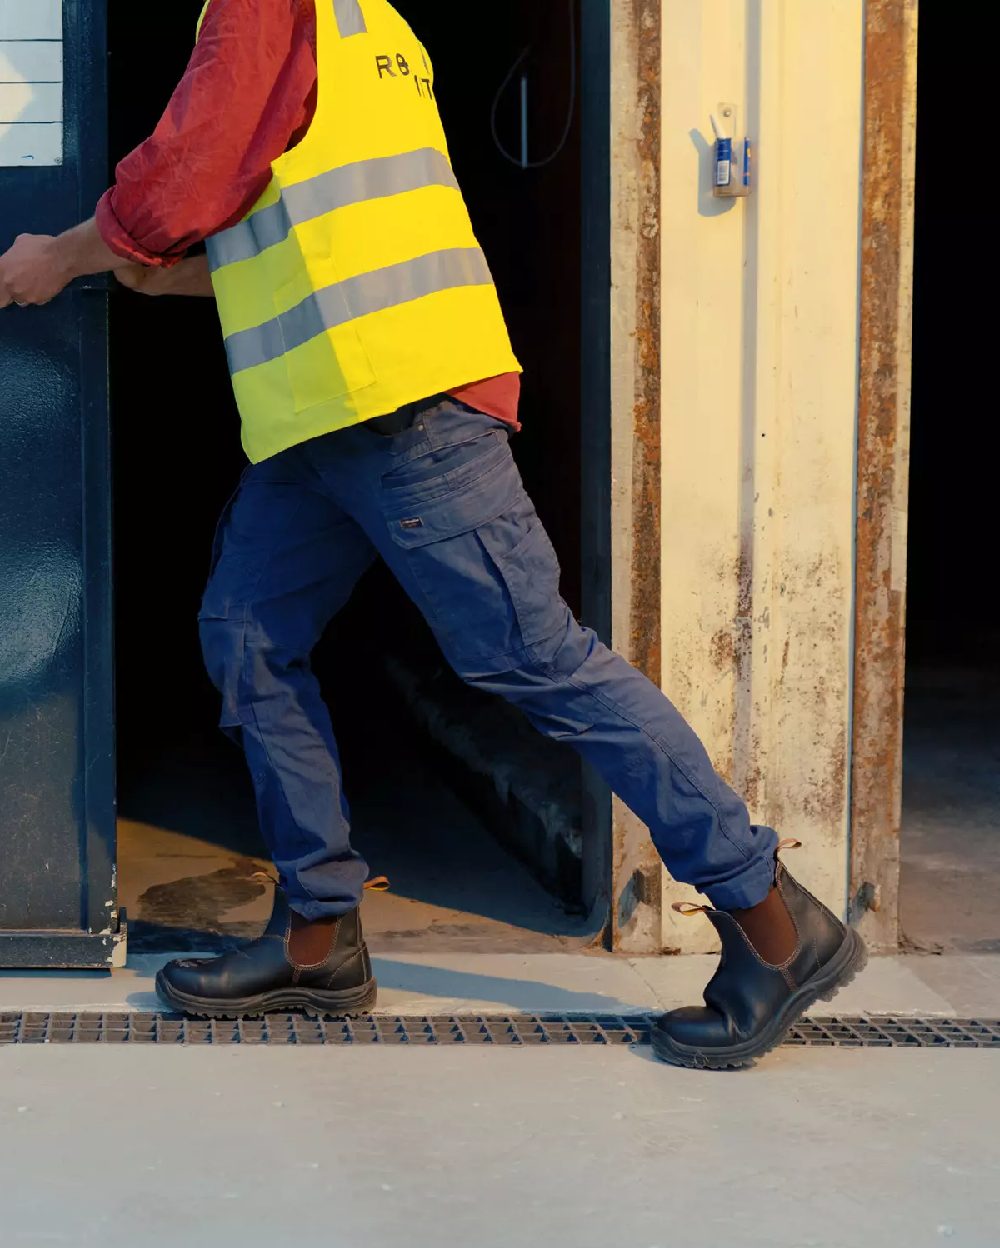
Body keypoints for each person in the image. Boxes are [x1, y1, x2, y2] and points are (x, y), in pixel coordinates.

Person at [0, 0, 866, 1070]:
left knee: (536, 659)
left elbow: (178, 181)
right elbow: (301, 232)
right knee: (248, 637)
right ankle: (318, 936)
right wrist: (166, 270)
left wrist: (68, 253)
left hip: (401, 404)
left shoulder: (266, 6)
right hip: (322, 418)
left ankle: (771, 920)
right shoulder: (375, 26)